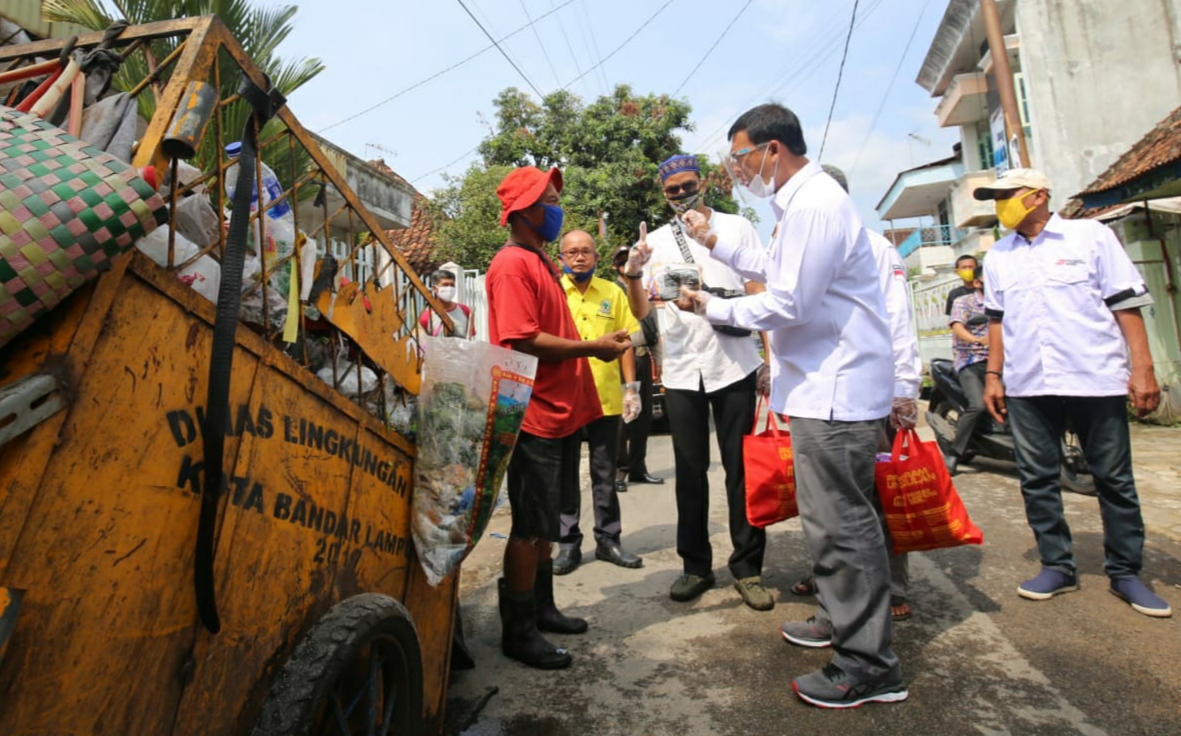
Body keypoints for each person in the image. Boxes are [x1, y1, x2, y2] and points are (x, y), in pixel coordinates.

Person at [671, 104, 906, 708]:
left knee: (844, 528)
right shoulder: (800, 206)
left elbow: (789, 302)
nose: (738, 170)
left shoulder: (817, 204)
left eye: (742, 156)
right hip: (822, 387)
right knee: (832, 524)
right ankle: (838, 617)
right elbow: (779, 271)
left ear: (773, 149)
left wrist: (714, 309)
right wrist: (716, 240)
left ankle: (868, 664)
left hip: (837, 390)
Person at [977, 167, 1171, 618]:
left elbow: (1125, 304)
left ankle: (1125, 571)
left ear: (1040, 195)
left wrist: (1142, 369)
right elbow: (997, 321)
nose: (1000, 204)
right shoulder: (999, 256)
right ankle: (1056, 565)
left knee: (1113, 479)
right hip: (1029, 383)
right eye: (995, 197)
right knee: (1037, 478)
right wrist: (993, 374)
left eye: (1008, 195)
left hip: (1094, 378)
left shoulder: (1090, 238)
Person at [486, 166, 632, 670]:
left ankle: (543, 608)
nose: (556, 208)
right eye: (548, 200)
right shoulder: (511, 265)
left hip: (563, 414)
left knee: (547, 524)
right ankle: (518, 631)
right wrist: (592, 347)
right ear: (525, 211)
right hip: (534, 418)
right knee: (529, 528)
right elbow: (521, 338)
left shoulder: (539, 260)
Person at [621, 154, 772, 612]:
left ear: (702, 183)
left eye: (688, 186)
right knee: (689, 473)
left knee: (741, 470)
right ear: (663, 195)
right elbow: (641, 312)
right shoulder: (655, 243)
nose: (682, 195)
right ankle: (696, 567)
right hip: (684, 367)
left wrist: (771, 358)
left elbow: (759, 290)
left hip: (736, 363)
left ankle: (748, 569)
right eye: (673, 191)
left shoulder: (737, 227)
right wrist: (632, 271)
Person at [785, 165, 921, 623]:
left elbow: (899, 318)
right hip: (822, 393)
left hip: (866, 393)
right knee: (829, 503)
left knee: (870, 498)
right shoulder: (809, 246)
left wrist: (904, 388)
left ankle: (892, 586)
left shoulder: (873, 247)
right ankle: (833, 585)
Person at [553, 230, 644, 576]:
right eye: (572, 252)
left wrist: (631, 388)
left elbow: (626, 342)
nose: (579, 257)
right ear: (561, 257)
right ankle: (567, 543)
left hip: (605, 399)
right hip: (565, 398)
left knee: (605, 472)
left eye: (586, 251)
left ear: (595, 256)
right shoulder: (553, 293)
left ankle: (608, 539)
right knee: (565, 475)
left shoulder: (612, 292)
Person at [612, 245, 664, 489]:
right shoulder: (612, 292)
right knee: (624, 417)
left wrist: (659, 359)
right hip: (621, 359)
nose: (626, 266)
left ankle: (637, 468)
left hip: (643, 356)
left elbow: (653, 330)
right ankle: (619, 471)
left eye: (629, 261)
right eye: (622, 263)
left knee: (643, 417)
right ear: (616, 267)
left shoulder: (644, 292)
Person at [944, 266, 989, 476]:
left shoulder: (1007, 301)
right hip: (970, 359)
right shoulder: (964, 302)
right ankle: (954, 453)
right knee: (978, 405)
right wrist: (976, 340)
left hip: (1003, 360)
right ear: (979, 283)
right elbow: (957, 326)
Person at [418, 268, 476, 338]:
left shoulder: (465, 310)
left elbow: (470, 337)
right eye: (445, 285)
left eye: (452, 285)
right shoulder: (427, 316)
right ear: (435, 288)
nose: (449, 288)